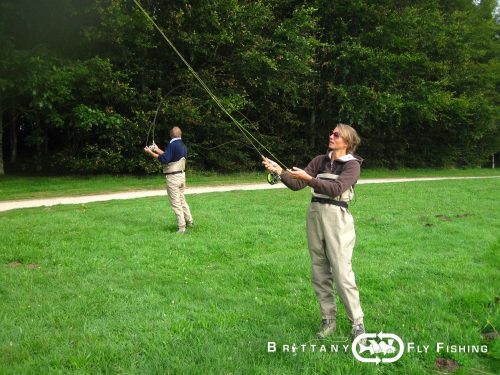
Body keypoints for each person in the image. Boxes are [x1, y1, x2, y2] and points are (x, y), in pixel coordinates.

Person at [262, 123, 365, 341]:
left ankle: (357, 322)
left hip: (338, 219)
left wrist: (309, 179)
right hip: (315, 216)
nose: (331, 136)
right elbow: (297, 185)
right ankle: (328, 319)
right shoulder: (320, 160)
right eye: (331, 132)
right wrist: (280, 172)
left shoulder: (352, 165)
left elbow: (336, 189)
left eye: (336, 134)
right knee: (319, 270)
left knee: (341, 272)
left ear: (346, 141)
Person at [144, 126, 193, 234]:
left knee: (176, 203)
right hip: (181, 176)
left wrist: (150, 152)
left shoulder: (172, 145)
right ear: (180, 134)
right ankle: (189, 221)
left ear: (171, 135)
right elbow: (169, 156)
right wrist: (156, 149)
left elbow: (165, 159)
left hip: (173, 178)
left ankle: (181, 227)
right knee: (182, 199)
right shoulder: (182, 146)